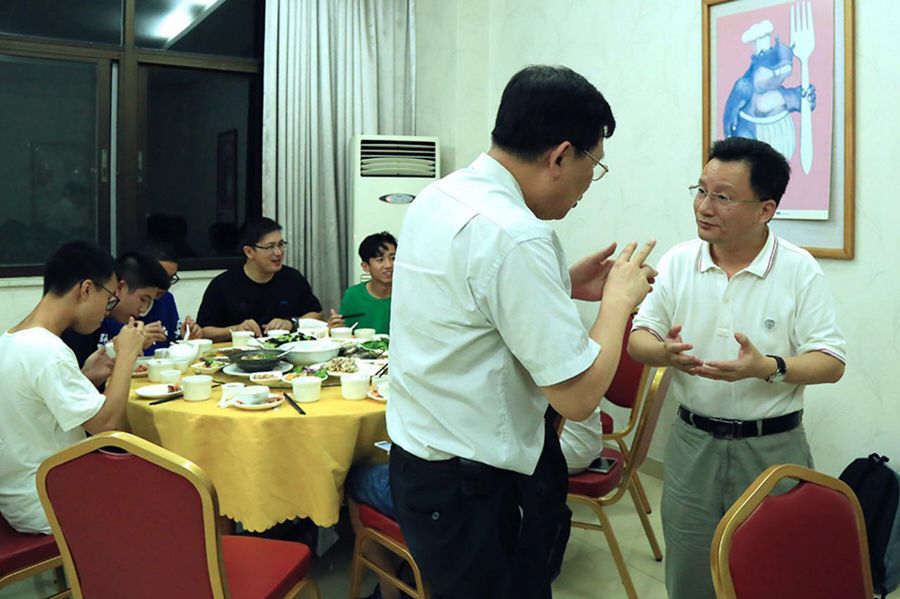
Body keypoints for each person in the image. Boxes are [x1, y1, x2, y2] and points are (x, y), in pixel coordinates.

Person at [386, 65, 656, 598]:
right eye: (592, 168)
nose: (586, 187)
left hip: (422, 461)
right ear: (560, 155)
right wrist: (618, 304)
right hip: (478, 482)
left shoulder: (439, 195)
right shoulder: (517, 237)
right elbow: (577, 397)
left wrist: (562, 283)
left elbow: (471, 298)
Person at [627, 137, 846, 599]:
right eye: (701, 190)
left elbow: (830, 362)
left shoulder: (799, 270)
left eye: (722, 197)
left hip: (772, 448)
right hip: (692, 444)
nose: (704, 206)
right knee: (690, 575)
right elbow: (638, 338)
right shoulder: (679, 261)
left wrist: (767, 366)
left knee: (775, 574)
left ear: (765, 210)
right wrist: (662, 354)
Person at [0, 241, 146, 534]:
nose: (107, 311)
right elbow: (106, 425)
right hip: (50, 500)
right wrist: (126, 357)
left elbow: (40, 413)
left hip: (19, 495)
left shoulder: (11, 339)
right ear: (87, 289)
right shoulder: (47, 351)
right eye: (109, 300)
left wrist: (86, 377)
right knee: (170, 486)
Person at [197, 217, 323, 341]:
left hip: (288, 352)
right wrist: (235, 330)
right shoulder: (223, 284)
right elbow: (203, 331)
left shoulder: (293, 278)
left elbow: (317, 314)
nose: (278, 252)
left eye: (281, 245)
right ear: (249, 252)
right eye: (270, 247)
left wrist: (292, 323)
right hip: (239, 355)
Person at [61, 251, 171, 386]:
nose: (143, 309)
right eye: (143, 299)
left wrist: (133, 345)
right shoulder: (84, 322)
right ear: (120, 287)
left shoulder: (108, 319)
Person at [102, 242, 202, 355]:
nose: (165, 285)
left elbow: (172, 342)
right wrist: (133, 344)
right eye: (161, 275)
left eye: (170, 278)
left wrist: (186, 338)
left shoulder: (166, 299)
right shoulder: (104, 314)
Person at [328, 231, 396, 334]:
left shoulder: (407, 295)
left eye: (393, 258)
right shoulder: (353, 296)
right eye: (380, 259)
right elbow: (345, 336)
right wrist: (337, 328)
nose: (389, 265)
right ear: (365, 266)